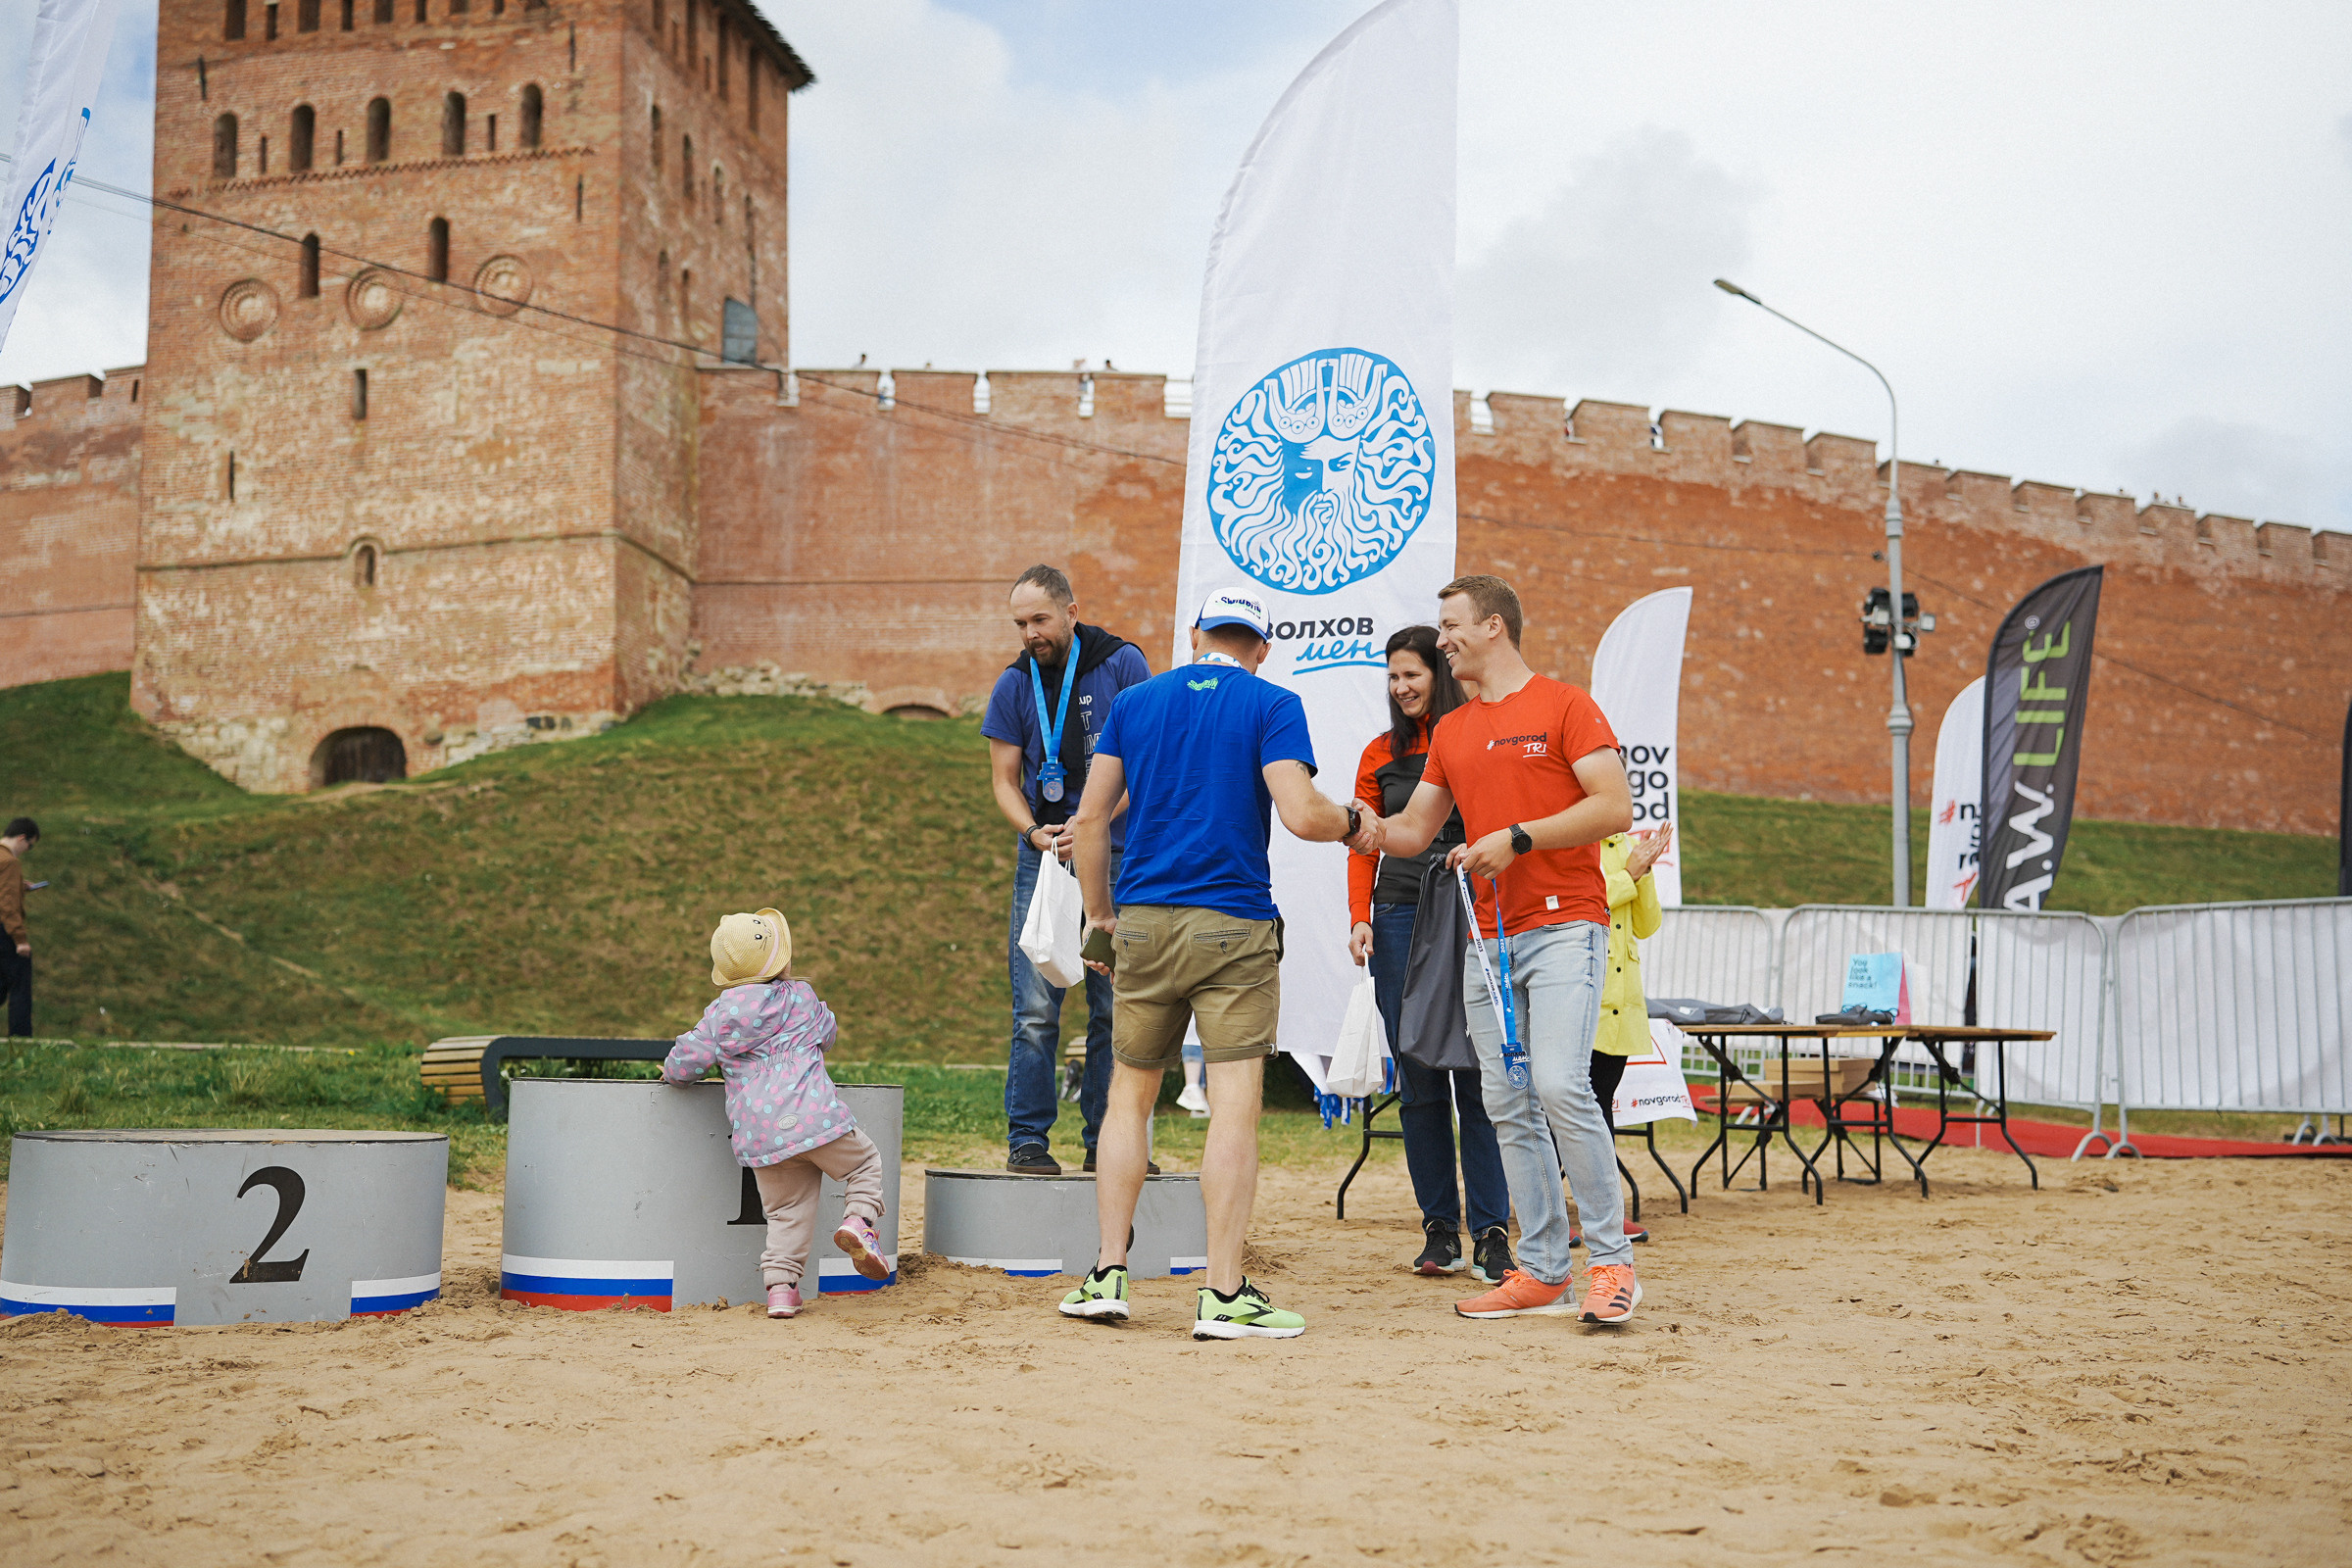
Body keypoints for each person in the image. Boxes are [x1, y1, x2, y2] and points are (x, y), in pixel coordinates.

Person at [1058, 587, 1376, 1341]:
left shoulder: (1137, 705)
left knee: (1127, 1099)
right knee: (1232, 1107)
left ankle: (1107, 1272)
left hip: (1143, 923)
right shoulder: (1271, 702)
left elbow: (1091, 818)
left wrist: (1101, 914)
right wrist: (1357, 825)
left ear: (1194, 633)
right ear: (1260, 648)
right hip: (1233, 927)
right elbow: (1302, 815)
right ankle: (1224, 1292)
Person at [1365, 574, 1644, 1326]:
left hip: (1563, 925)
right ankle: (1546, 1269)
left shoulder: (1565, 705)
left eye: (1451, 624)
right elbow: (1414, 831)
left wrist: (1518, 838)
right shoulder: (1452, 733)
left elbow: (1613, 805)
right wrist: (1353, 825)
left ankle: (1613, 1265)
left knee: (1558, 1085)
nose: (1442, 637)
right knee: (1507, 1102)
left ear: (1494, 625)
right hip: (1486, 938)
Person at [1346, 627, 1512, 1282]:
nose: (1401, 687)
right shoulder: (1379, 753)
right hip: (1397, 917)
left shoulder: (1476, 737)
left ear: (1437, 676)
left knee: (1479, 1075)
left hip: (1472, 916)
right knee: (1417, 1081)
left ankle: (1493, 1232)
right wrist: (1360, 918)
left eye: (1412, 675)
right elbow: (1366, 842)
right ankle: (1440, 1230)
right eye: (1393, 677)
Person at [981, 564, 1153, 1175]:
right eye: (1020, 623)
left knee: (1117, 1005)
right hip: (1045, 859)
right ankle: (1028, 1141)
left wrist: (1094, 826)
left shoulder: (1122, 665)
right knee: (1034, 1008)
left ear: (1071, 612)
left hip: (1120, 854)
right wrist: (1034, 831)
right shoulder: (1012, 684)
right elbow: (1004, 780)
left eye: (1040, 620)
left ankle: (1108, 1145)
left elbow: (1144, 761)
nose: (1030, 633)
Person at [662, 907, 889, 1320]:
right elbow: (829, 1033)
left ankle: (782, 1291)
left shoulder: (719, 1016)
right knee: (864, 1164)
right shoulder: (801, 998)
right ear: (782, 959)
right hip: (817, 1121)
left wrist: (669, 1074)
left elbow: (685, 1063)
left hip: (763, 1134)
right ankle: (859, 1221)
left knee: (786, 1213)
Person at [1577, 821, 1672, 1249]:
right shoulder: (1574, 842)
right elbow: (1587, 902)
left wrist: (1646, 870)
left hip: (1621, 1003)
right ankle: (1575, 1212)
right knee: (1578, 1107)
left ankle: (1604, 1213)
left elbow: (1646, 924)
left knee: (1602, 1106)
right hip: (1583, 994)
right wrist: (1629, 873)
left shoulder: (1629, 847)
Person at [0, 818, 36, 1039]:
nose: (27, 850)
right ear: (22, 838)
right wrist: (20, 939)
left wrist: (18, 886)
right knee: (20, 984)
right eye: (30, 845)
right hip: (4, 931)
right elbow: (7, 904)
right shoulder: (10, 862)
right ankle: (21, 1040)